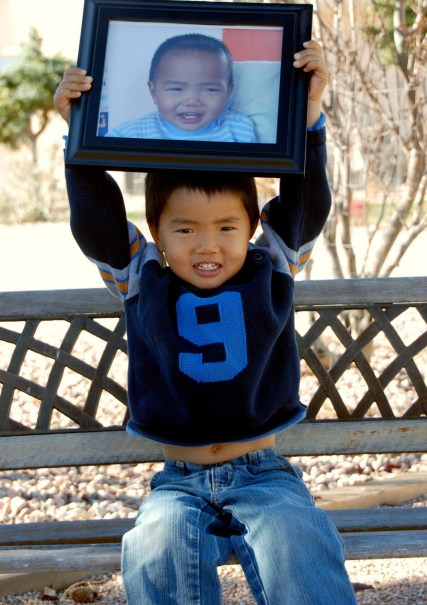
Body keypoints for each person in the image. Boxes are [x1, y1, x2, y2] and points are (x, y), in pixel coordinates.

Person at [54, 40, 357, 604]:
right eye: (185, 229)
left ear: (253, 227)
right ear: (157, 233)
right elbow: (97, 222)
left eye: (226, 227)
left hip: (264, 474)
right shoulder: (141, 278)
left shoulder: (272, 268)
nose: (207, 244)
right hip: (179, 481)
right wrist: (80, 132)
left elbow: (306, 205)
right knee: (154, 546)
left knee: (298, 541)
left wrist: (309, 118)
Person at [104, 33, 257, 142]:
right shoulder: (132, 134)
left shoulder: (238, 130)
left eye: (210, 89)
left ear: (228, 92)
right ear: (154, 92)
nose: (192, 100)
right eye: (177, 89)